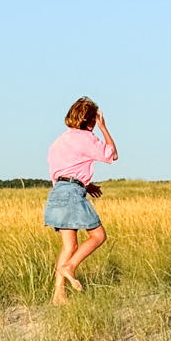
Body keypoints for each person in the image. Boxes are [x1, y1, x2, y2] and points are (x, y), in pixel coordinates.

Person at [44, 99, 118, 305]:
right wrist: (104, 128)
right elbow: (112, 154)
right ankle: (70, 267)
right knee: (98, 235)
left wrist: (85, 185)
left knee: (69, 246)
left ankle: (59, 293)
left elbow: (61, 174)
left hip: (57, 192)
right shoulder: (86, 137)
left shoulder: (58, 141)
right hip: (72, 194)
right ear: (91, 120)